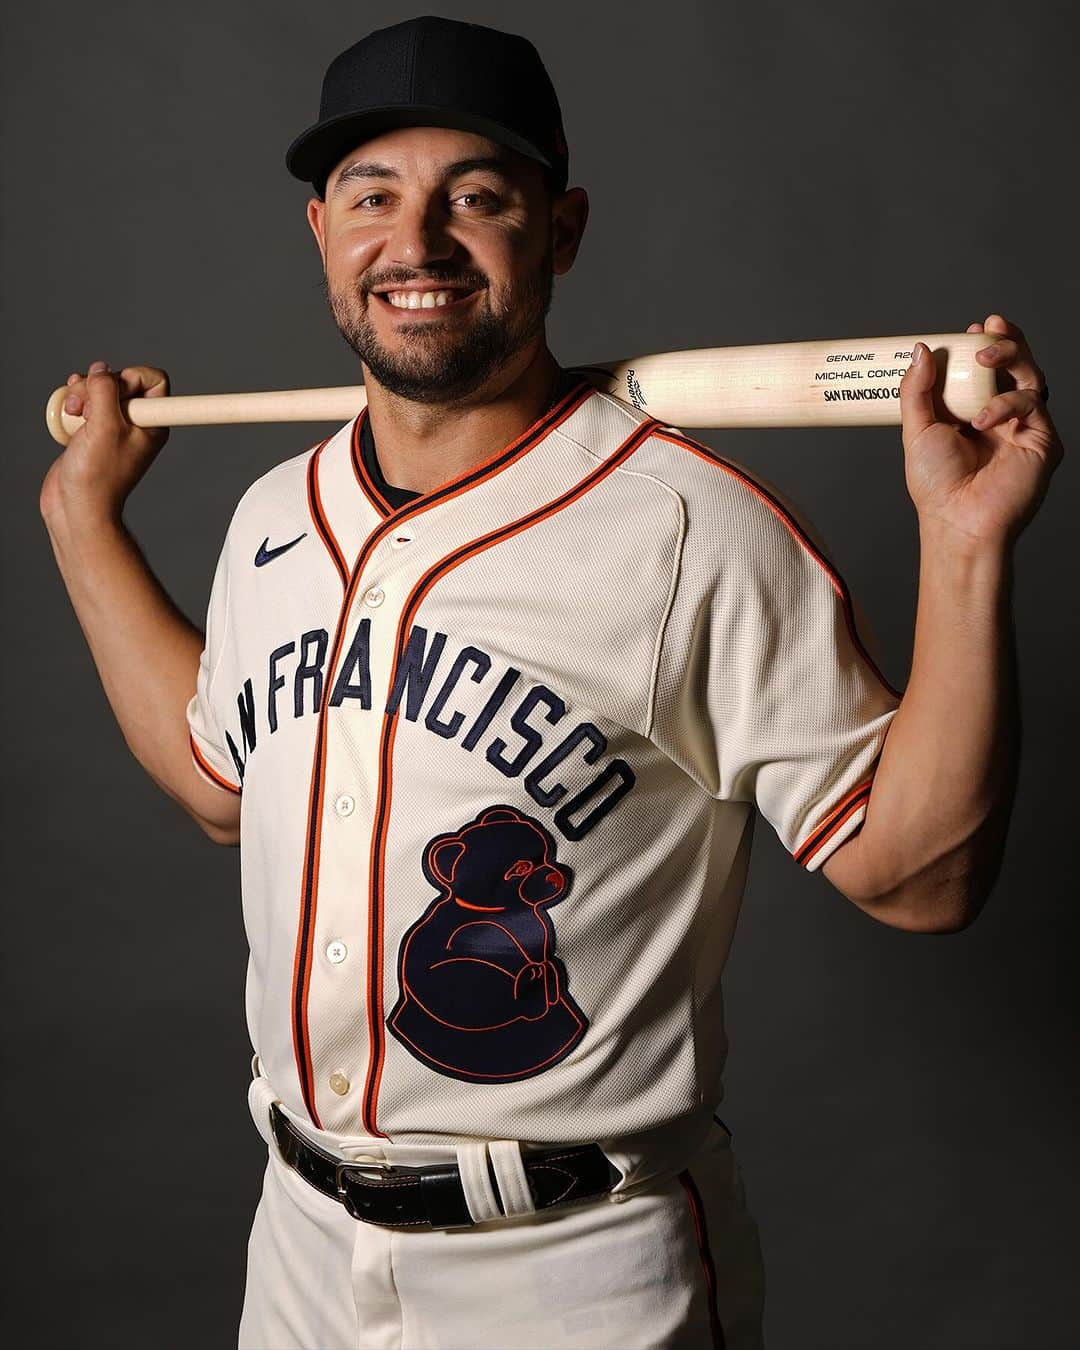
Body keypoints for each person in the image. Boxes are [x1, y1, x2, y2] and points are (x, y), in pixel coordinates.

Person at [38, 15, 1064, 1350]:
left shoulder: (693, 526)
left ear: (562, 230)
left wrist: (965, 547)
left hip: (576, 1269)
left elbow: (921, 876)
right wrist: (81, 522)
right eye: (373, 196)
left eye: (477, 195)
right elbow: (222, 783)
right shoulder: (270, 517)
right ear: (321, 231)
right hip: (294, 1246)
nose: (416, 241)